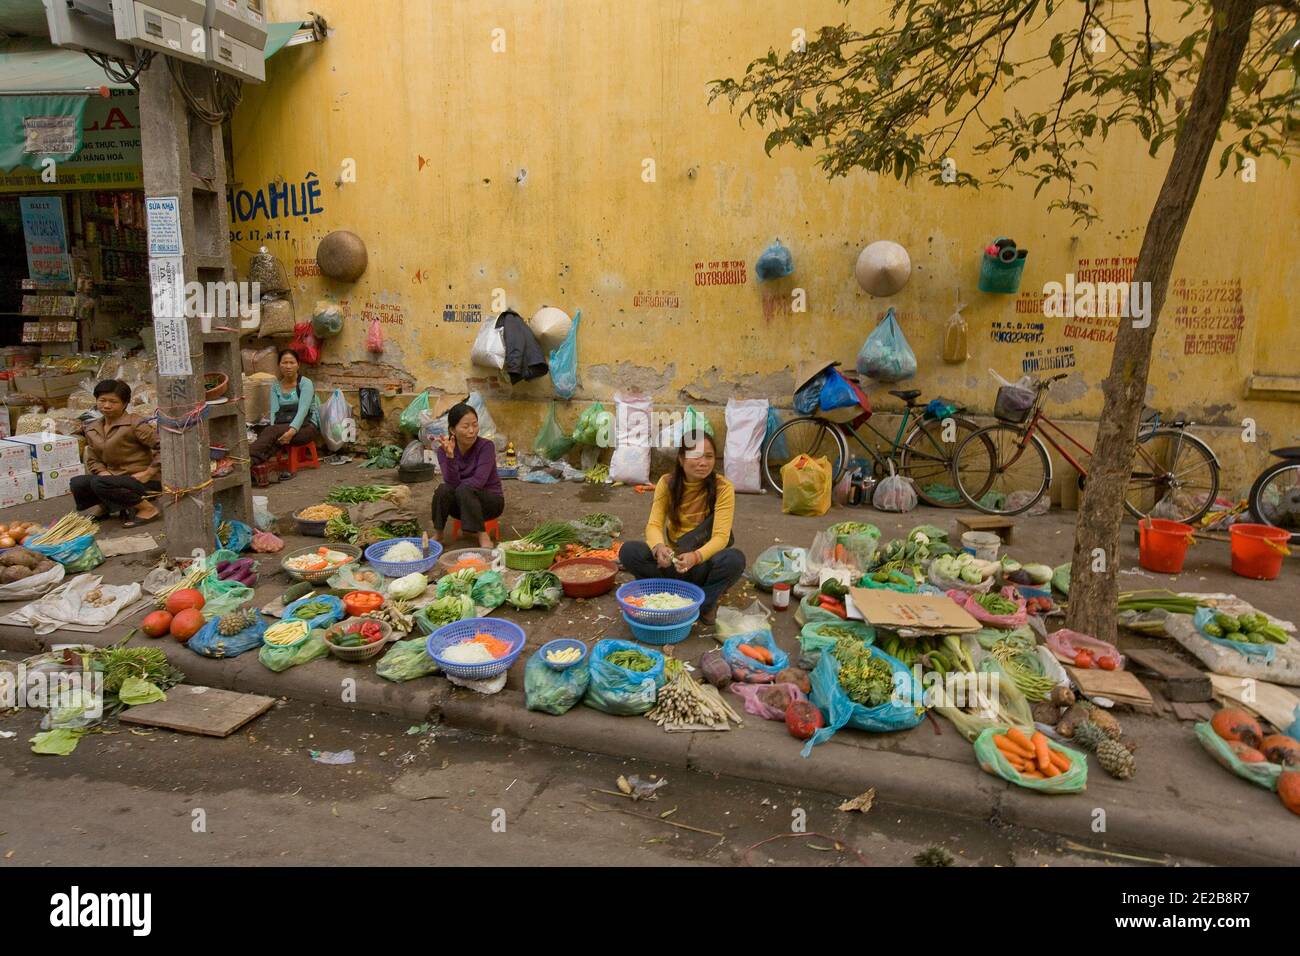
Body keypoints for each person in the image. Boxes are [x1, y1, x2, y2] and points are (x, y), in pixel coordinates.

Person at [619, 430, 745, 626]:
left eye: (709, 456)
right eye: (695, 456)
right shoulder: (667, 483)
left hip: (701, 564)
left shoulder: (723, 487)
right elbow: (653, 525)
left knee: (734, 559)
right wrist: (659, 548)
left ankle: (704, 603)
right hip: (672, 563)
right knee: (629, 551)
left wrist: (695, 557)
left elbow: (721, 537)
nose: (703, 462)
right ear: (681, 458)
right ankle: (666, 595)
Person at [71, 380, 162, 527]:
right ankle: (106, 505)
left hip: (140, 479)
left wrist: (149, 472)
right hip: (113, 479)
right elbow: (93, 458)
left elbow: (163, 447)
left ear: (125, 404)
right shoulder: (92, 428)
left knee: (99, 483)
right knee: (78, 483)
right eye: (102, 400)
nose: (106, 405)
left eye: (113, 401)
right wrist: (102, 472)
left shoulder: (135, 423)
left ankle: (148, 509)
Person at [430, 403, 504, 549]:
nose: (472, 431)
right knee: (443, 489)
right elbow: (451, 482)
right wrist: (450, 457)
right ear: (452, 429)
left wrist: (460, 488)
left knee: (465, 489)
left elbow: (479, 481)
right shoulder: (443, 451)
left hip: (489, 502)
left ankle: (482, 534)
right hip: (462, 503)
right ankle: (439, 533)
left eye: (475, 425)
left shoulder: (486, 446)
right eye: (465, 427)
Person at [249, 349, 320, 475]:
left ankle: (247, 462)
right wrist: (276, 429)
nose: (288, 366)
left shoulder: (305, 383)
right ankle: (253, 467)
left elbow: (303, 411)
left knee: (272, 432)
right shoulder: (276, 386)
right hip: (283, 427)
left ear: (298, 364)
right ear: (279, 365)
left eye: (292, 363)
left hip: (307, 427)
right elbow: (274, 413)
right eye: (284, 363)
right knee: (271, 433)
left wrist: (291, 432)